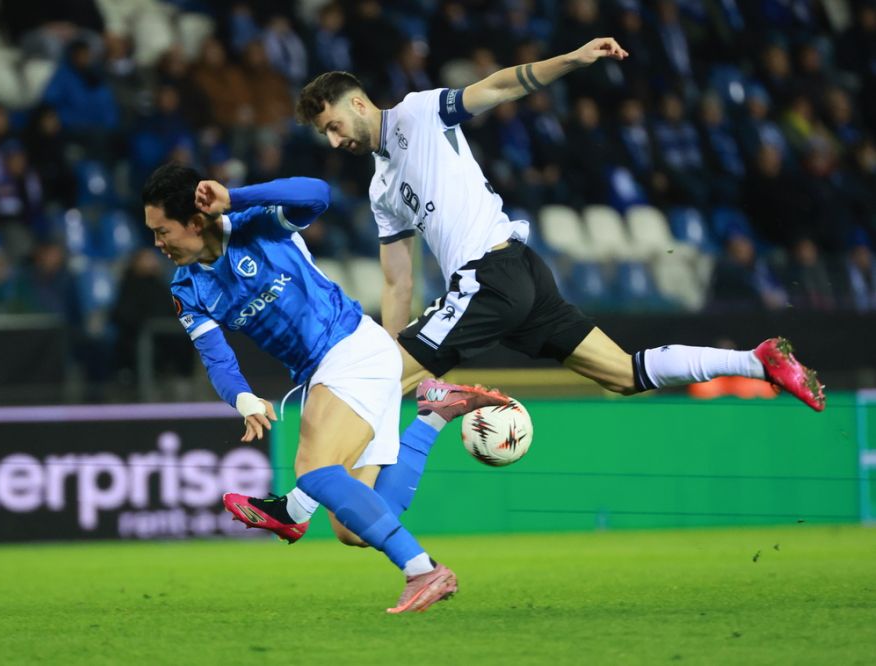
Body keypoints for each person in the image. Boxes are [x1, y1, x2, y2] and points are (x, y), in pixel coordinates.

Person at [293, 36, 826, 411]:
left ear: (359, 103)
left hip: (491, 274)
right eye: (326, 135)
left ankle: (297, 506)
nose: (336, 142)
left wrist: (572, 59)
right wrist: (399, 352)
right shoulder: (381, 188)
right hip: (518, 276)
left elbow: (499, 87)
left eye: (335, 126)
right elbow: (396, 279)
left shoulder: (419, 112)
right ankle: (758, 362)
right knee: (624, 375)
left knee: (380, 377)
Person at [142, 163, 505, 613]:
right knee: (352, 528)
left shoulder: (257, 225)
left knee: (314, 471)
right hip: (329, 370)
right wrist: (242, 396)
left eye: (163, 231)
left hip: (350, 346)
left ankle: (420, 569)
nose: (157, 244)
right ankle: (432, 416)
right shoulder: (187, 288)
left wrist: (234, 197)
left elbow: (316, 192)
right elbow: (217, 357)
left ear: (196, 222)